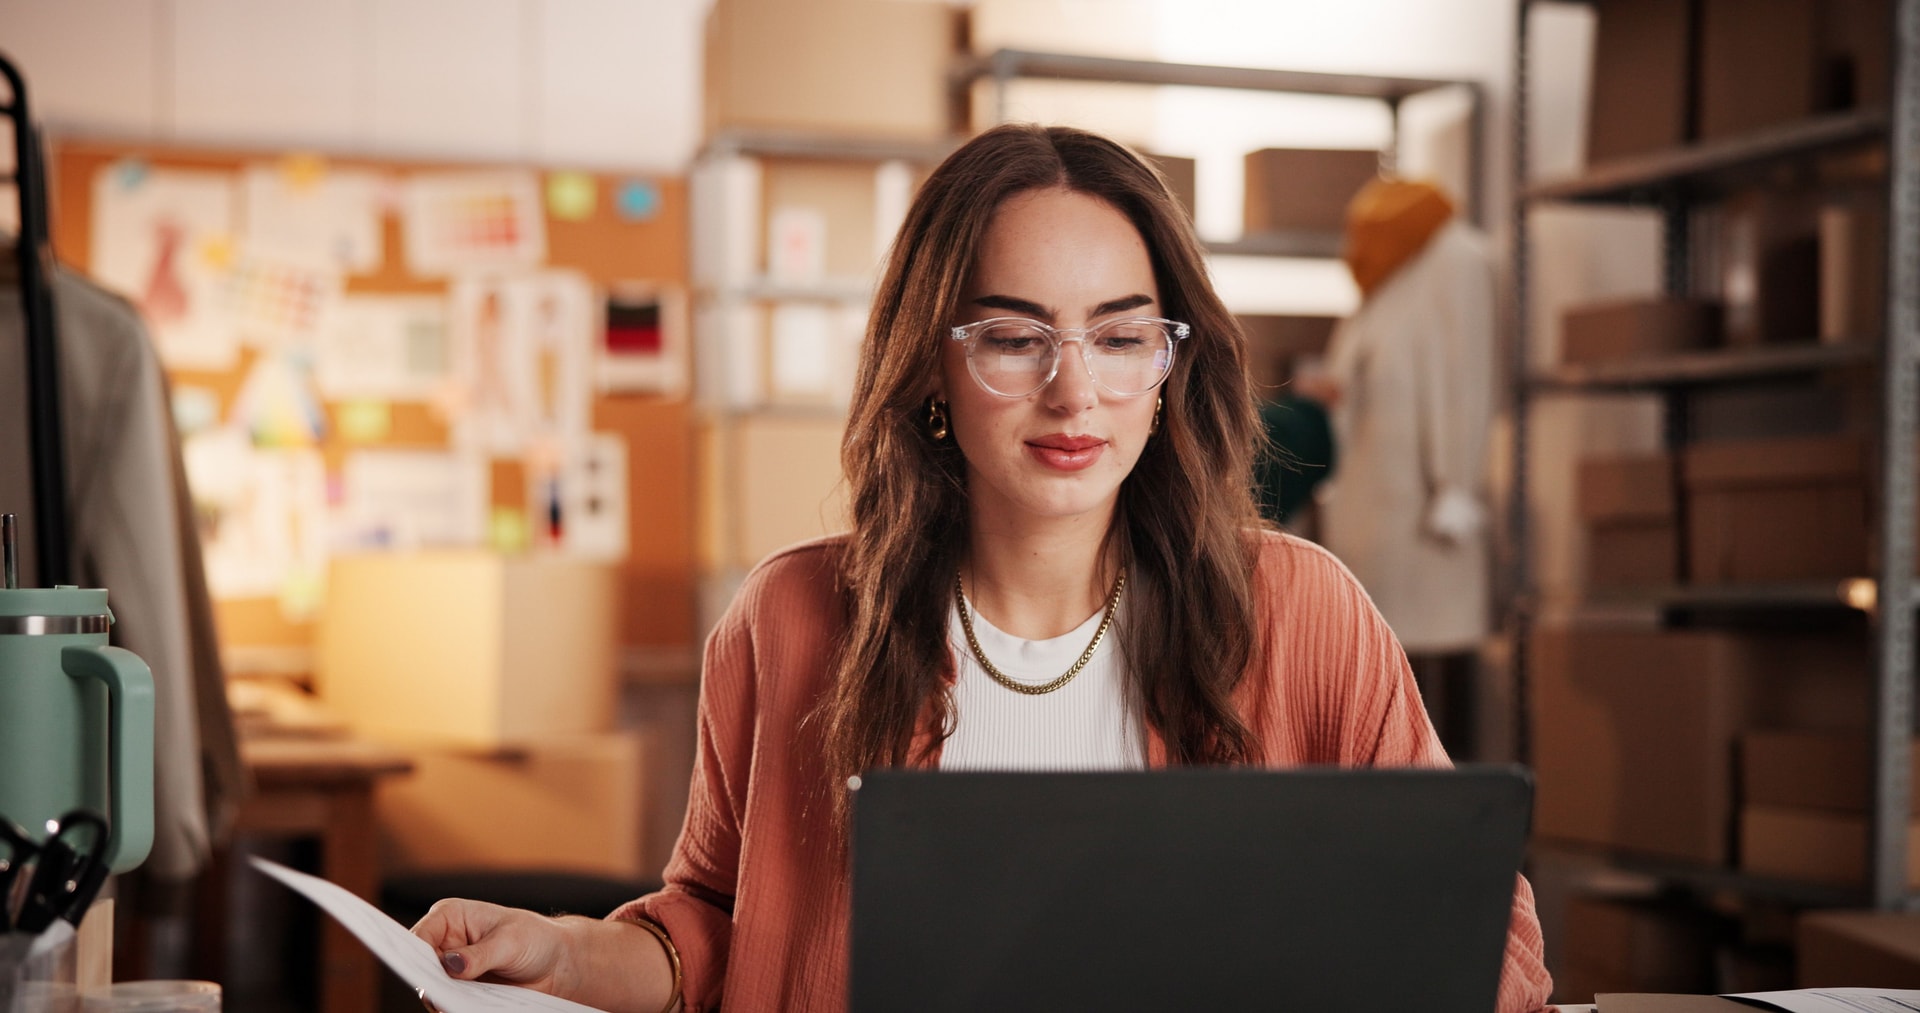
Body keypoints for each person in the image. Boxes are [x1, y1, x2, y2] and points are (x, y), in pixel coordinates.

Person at [411, 123, 1553, 1013]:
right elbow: (716, 926)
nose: (1075, 391)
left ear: (1169, 364)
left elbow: (1484, 932)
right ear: (932, 367)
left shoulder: (1302, 609)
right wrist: (562, 948)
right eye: (1013, 336)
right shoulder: (794, 618)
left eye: (1119, 335)